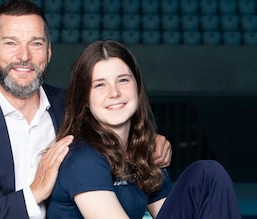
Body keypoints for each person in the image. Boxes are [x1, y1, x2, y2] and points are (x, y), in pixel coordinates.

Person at [0, 1, 172, 218]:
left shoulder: (74, 107)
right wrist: (32, 195)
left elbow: (118, 130)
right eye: (11, 43)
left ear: (49, 51)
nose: (24, 55)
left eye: (36, 43)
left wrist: (152, 142)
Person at [46, 40, 241, 219]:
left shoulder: (142, 153)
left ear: (137, 87)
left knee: (207, 175)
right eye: (99, 85)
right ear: (85, 99)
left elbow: (170, 213)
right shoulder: (82, 159)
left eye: (123, 80)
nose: (114, 93)